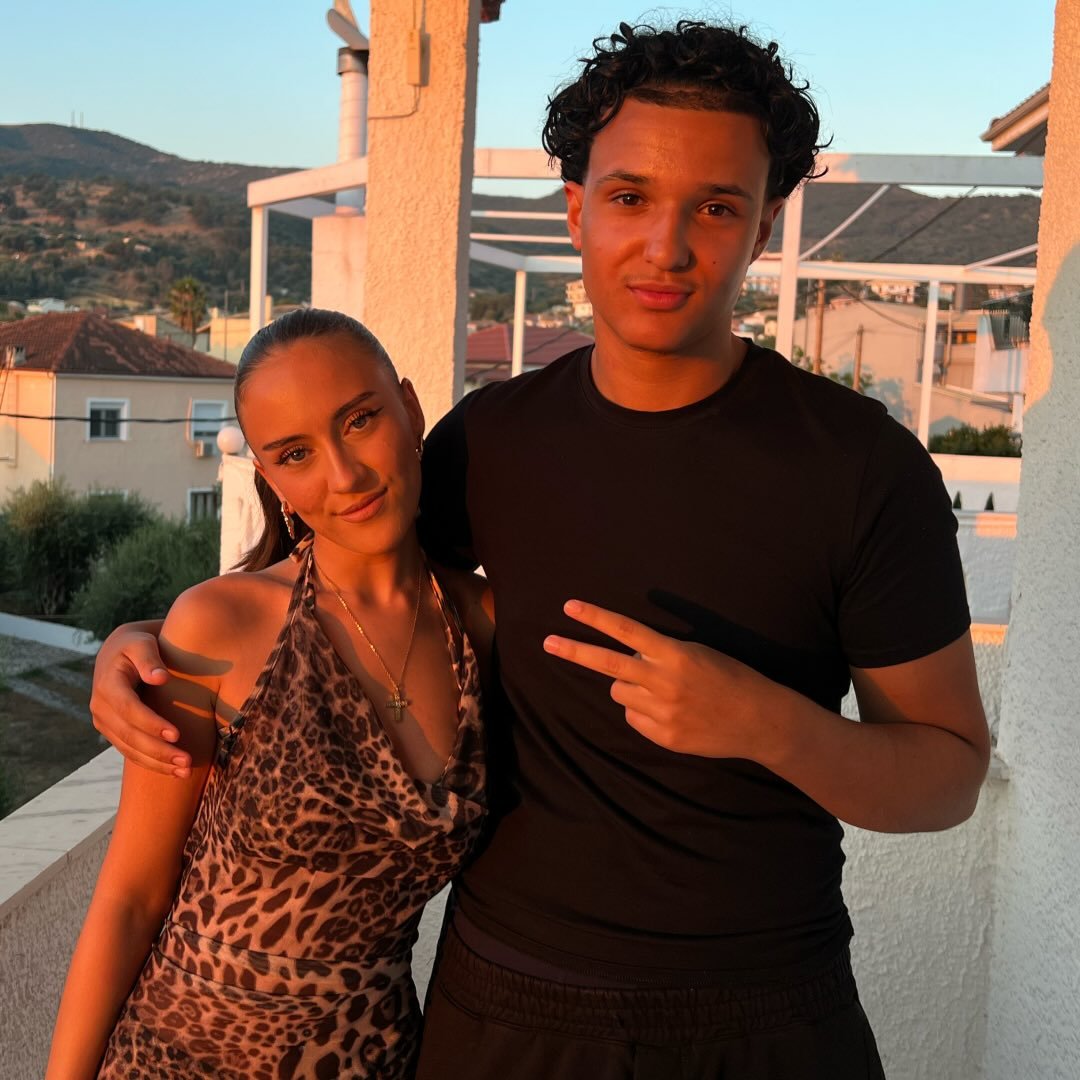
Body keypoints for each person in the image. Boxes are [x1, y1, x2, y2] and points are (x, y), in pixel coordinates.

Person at [88, 21, 990, 1080]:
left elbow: (947, 777)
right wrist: (140, 641)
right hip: (506, 1013)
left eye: (715, 207)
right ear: (576, 210)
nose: (666, 247)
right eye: (630, 197)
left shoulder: (863, 470)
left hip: (769, 1014)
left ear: (764, 225)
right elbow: (337, 571)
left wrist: (766, 723)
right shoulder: (489, 444)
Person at [47, 310, 489, 1079]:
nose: (344, 475)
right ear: (270, 476)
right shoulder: (221, 626)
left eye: (360, 420)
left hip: (370, 1061)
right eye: (296, 453)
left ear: (411, 408)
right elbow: (130, 898)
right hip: (176, 1057)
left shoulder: (484, 627)